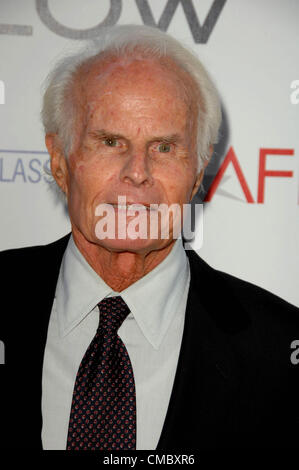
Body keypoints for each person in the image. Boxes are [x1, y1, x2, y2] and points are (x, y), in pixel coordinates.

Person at [0, 24, 298, 451]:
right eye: (110, 141)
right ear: (59, 162)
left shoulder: (280, 352)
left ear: (198, 171)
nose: (137, 172)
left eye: (163, 147)